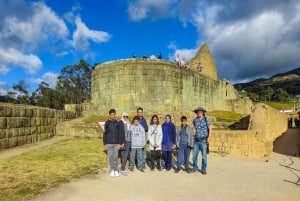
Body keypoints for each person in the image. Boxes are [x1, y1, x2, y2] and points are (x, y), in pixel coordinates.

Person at [103, 109, 125, 177]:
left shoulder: (117, 123)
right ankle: (112, 170)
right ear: (109, 115)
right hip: (109, 143)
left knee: (115, 157)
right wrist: (105, 144)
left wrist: (120, 143)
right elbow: (105, 134)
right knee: (111, 157)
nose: (112, 116)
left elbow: (120, 133)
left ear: (115, 115)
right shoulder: (107, 123)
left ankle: (116, 170)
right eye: (111, 114)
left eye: (113, 114)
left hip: (116, 143)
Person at [192, 107, 212, 175]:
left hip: (204, 141)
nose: (199, 113)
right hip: (196, 141)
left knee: (204, 156)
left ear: (203, 112)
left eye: (200, 112)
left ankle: (203, 169)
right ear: (196, 113)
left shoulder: (206, 119)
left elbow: (210, 129)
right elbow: (192, 127)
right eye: (198, 112)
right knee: (194, 156)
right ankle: (195, 167)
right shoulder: (195, 120)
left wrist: (209, 137)